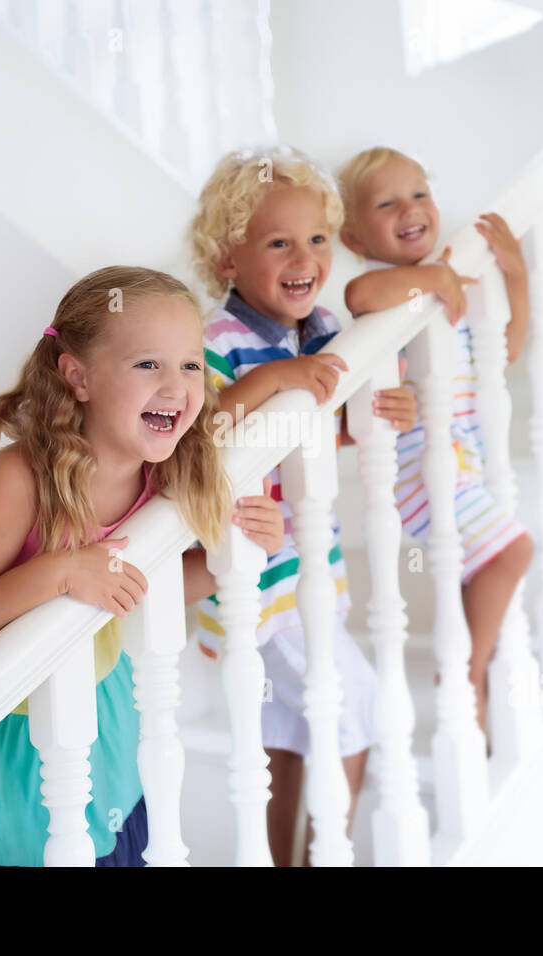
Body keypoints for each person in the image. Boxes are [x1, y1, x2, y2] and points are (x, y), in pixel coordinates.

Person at [0, 265, 282, 866]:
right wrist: (61, 573)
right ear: (78, 377)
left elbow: (152, 587)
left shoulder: (165, 475)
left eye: (191, 364)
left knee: (95, 831)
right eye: (148, 364)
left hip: (94, 688)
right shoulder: (17, 480)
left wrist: (240, 556)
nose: (176, 385)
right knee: (3, 842)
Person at [188, 145, 419, 865]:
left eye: (317, 239)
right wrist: (280, 378)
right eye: (278, 242)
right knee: (360, 706)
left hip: (310, 562)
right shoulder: (211, 340)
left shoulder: (319, 325)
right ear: (228, 257)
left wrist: (380, 411)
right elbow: (206, 432)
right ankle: (330, 853)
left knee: (293, 729)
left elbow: (332, 422)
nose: (305, 257)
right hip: (259, 579)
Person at [334, 146, 534, 742]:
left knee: (485, 571)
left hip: (461, 460)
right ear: (352, 234)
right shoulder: (392, 293)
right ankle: (465, 673)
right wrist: (435, 278)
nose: (410, 209)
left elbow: (509, 348)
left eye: (419, 194)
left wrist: (515, 275)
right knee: (513, 553)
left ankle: (475, 674)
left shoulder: (450, 290)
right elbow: (359, 298)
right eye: (387, 203)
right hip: (422, 475)